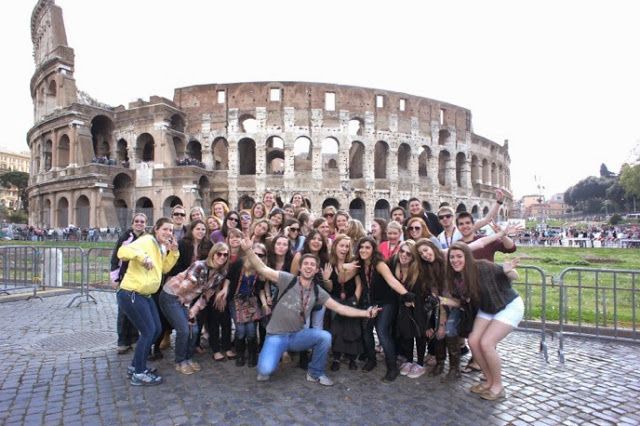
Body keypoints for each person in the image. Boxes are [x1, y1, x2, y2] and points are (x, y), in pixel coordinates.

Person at [239, 239, 382, 386]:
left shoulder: (317, 291)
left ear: (316, 270)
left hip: (297, 335)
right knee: (265, 370)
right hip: (276, 335)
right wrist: (249, 250)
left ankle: (315, 372)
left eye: (312, 265)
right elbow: (263, 269)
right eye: (306, 264)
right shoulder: (288, 279)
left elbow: (340, 308)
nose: (309, 267)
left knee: (324, 337)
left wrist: (366, 313)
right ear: (300, 268)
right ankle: (269, 355)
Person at [441, 241, 523, 401]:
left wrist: (508, 271)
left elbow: (513, 276)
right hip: (488, 308)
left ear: (467, 257)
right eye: (452, 257)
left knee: (486, 343)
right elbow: (463, 302)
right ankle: (488, 381)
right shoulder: (456, 277)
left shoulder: (483, 267)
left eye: (459, 256)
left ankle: (498, 387)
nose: (455, 260)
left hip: (508, 305)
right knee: (473, 341)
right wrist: (443, 301)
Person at [117, 218, 180, 386]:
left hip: (146, 295)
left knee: (157, 329)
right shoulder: (146, 240)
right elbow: (122, 252)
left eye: (171, 231)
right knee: (148, 331)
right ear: (156, 229)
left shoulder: (160, 247)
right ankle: (139, 373)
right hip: (132, 293)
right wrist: (142, 257)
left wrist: (173, 252)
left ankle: (135, 365)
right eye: (165, 229)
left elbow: (164, 268)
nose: (168, 233)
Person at [159, 242, 228, 375]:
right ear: (213, 254)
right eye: (219, 254)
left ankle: (188, 358)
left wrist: (193, 310)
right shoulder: (199, 265)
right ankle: (180, 361)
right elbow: (187, 283)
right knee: (184, 330)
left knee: (194, 330)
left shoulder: (220, 274)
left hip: (185, 300)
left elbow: (206, 296)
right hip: (172, 295)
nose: (222, 257)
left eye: (225, 255)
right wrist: (182, 295)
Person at [355, 237, 413, 382]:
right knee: (366, 329)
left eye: (367, 247)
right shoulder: (360, 264)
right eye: (361, 247)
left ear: (373, 250)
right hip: (370, 301)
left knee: (382, 332)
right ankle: (371, 360)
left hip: (387, 302)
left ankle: (392, 368)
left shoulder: (379, 264)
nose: (363, 250)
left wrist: (405, 294)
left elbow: (392, 281)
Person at [216, 243, 267, 368]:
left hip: (251, 301)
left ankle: (252, 354)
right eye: (255, 253)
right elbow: (228, 278)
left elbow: (260, 289)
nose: (257, 256)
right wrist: (224, 290)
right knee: (240, 330)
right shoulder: (239, 263)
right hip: (236, 300)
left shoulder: (262, 269)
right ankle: (240, 354)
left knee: (251, 331)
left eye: (261, 255)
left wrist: (265, 303)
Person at [110, 213, 146, 354]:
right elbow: (115, 257)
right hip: (125, 278)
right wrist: (114, 277)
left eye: (142, 221)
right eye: (136, 221)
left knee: (135, 310)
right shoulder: (125, 237)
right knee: (123, 311)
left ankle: (134, 338)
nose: (139, 223)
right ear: (132, 223)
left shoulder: (146, 238)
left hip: (139, 279)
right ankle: (122, 341)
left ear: (145, 224)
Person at [328, 234, 362, 371]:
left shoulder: (354, 262)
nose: (344, 249)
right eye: (341, 245)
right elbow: (332, 285)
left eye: (347, 246)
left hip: (351, 298)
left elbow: (358, 284)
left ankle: (352, 357)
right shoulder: (330, 264)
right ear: (335, 246)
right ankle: (336, 356)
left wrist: (355, 300)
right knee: (337, 327)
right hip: (335, 299)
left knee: (352, 327)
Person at [437, 189, 505, 249]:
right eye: (441, 217)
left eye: (448, 216)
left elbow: (486, 220)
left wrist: (498, 203)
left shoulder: (464, 229)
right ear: (439, 220)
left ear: (453, 217)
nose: (445, 219)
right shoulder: (440, 237)